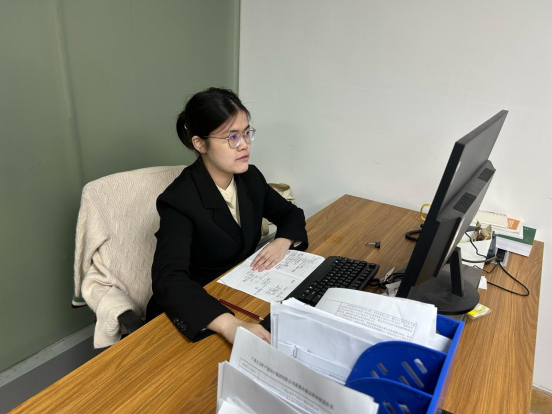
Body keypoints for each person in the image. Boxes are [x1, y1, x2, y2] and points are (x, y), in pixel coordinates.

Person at [145, 87, 308, 344]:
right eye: (232, 137)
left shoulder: (250, 177)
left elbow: (291, 215)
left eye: (246, 133)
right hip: (199, 307)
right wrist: (229, 324)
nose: (244, 145)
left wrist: (282, 241)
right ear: (200, 144)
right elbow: (169, 279)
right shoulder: (178, 200)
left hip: (243, 290)